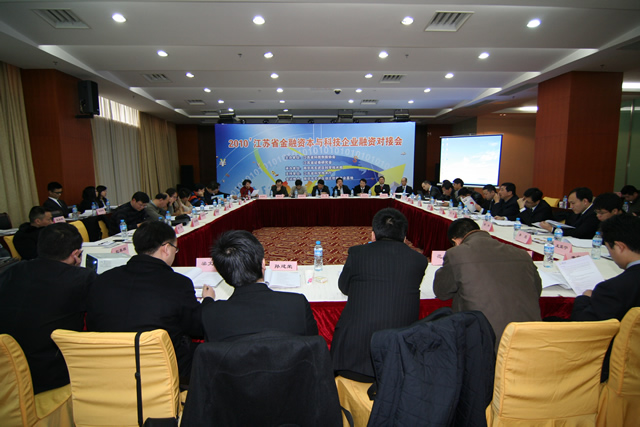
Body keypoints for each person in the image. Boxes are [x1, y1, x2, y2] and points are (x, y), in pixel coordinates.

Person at [87, 221, 214, 382]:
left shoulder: (103, 279)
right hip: (162, 369)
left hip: (109, 369)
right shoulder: (177, 283)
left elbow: (92, 325)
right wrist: (208, 300)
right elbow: (196, 327)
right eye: (175, 249)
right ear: (166, 248)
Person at [331, 208, 428, 382]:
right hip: (400, 364)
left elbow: (344, 288)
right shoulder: (419, 260)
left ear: (373, 235)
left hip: (351, 362)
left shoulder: (357, 253)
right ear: (405, 237)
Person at [0, 223, 96, 394]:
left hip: (7, 371)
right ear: (75, 254)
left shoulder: (11, 271)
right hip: (49, 374)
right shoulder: (82, 278)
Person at [434, 218, 542, 347]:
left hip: (485, 340)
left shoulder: (456, 254)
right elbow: (537, 290)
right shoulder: (522, 254)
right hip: (530, 336)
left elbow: (442, 292)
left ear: (455, 241)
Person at [201, 230, 318, 342]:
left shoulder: (211, 314)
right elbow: (312, 345)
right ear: (263, 263)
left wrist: (208, 300)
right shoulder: (297, 304)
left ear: (221, 272)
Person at [571, 214, 640, 380]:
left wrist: (584, 298)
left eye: (609, 250)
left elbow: (585, 328)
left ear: (620, 247)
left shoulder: (613, 288)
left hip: (616, 366)